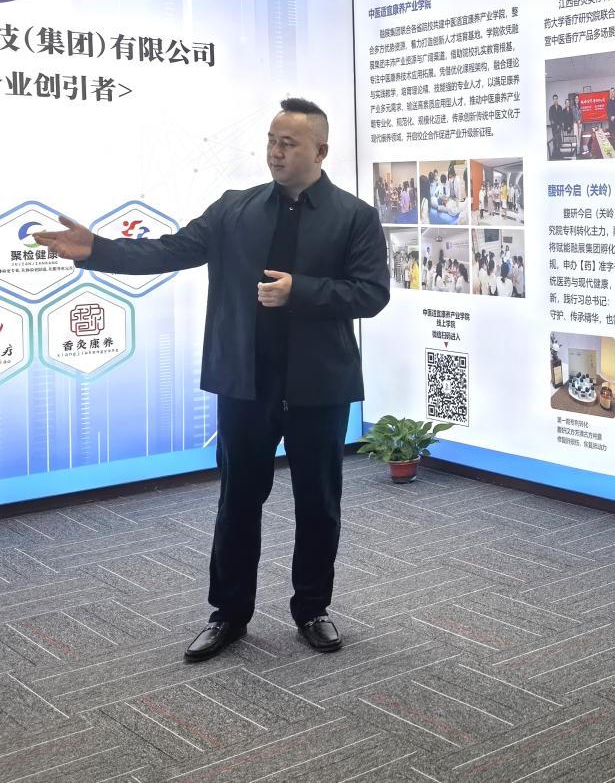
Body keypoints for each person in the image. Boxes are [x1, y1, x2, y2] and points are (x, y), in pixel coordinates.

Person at [33, 98, 390, 661]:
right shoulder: (234, 208)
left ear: (320, 151)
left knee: (318, 503)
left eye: (289, 143)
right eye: (271, 140)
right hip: (245, 382)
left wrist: (300, 291)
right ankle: (228, 614)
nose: (275, 151)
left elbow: (371, 294)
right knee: (237, 501)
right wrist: (96, 250)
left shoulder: (354, 216)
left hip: (319, 387)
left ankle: (312, 609)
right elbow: (174, 249)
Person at [548, 94, 567, 160]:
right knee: (554, 139)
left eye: (556, 99)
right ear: (553, 100)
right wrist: (553, 123)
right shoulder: (551, 108)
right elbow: (550, 117)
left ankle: (559, 151)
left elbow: (561, 117)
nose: (555, 100)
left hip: (559, 126)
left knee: (559, 138)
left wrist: (560, 124)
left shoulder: (560, 107)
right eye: (554, 99)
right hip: (554, 127)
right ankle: (555, 151)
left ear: (557, 99)